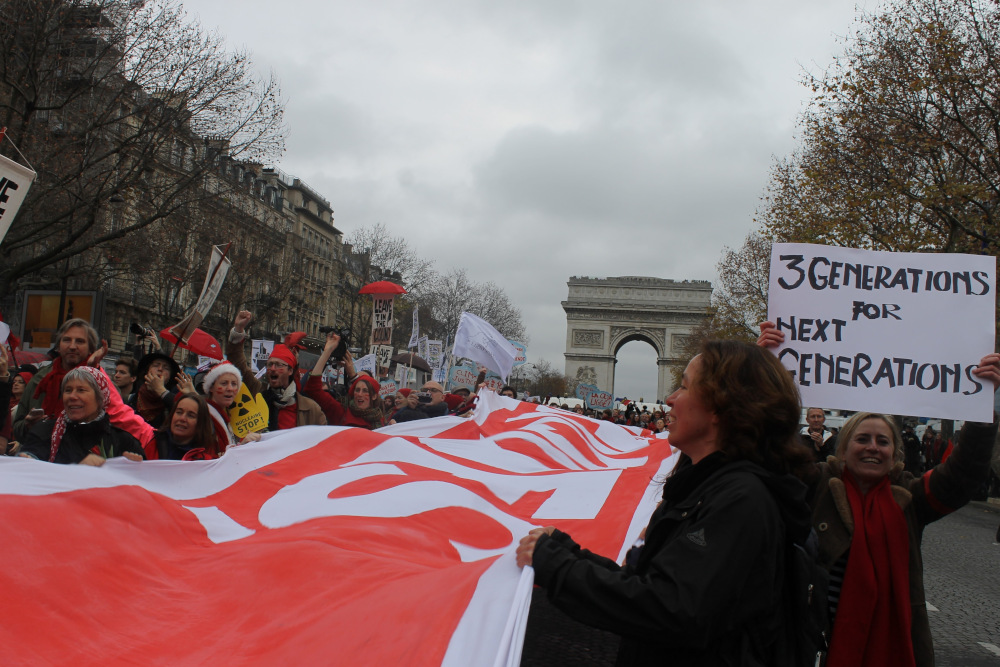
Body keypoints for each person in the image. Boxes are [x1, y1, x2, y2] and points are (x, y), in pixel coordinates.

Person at [516, 340, 814, 666]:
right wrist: (565, 551)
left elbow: (670, 608)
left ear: (722, 407)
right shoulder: (709, 487)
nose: (670, 399)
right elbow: (651, 586)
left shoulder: (741, 500)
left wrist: (558, 566)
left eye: (684, 386)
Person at [758, 320, 1000, 666]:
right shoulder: (815, 483)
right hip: (814, 645)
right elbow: (767, 450)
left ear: (894, 452)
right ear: (842, 449)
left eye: (882, 441)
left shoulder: (911, 498)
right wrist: (764, 369)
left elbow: (963, 476)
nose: (873, 448)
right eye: (862, 439)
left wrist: (980, 409)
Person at [19, 366, 146, 465]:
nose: (72, 396)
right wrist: (27, 460)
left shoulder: (123, 441)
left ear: (100, 398)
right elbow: (31, 473)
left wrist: (134, 470)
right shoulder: (44, 431)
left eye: (81, 390)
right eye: (68, 390)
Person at [227, 310, 326, 429]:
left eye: (279, 365)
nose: (272, 369)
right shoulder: (258, 393)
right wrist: (238, 330)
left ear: (290, 370)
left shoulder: (311, 409)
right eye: (270, 364)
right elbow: (238, 364)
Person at [12, 318, 100, 439]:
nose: (72, 346)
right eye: (67, 340)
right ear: (58, 346)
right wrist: (28, 425)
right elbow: (17, 428)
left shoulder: (101, 382)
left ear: (91, 348)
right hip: (40, 452)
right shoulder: (40, 379)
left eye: (80, 341)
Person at [201, 362, 261, 453]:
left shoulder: (226, 416)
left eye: (234, 384)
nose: (230, 388)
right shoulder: (203, 416)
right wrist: (241, 446)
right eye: (224, 383)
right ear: (211, 388)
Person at [147, 393, 221, 460]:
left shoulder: (206, 462)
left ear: (200, 423)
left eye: (190, 416)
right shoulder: (150, 440)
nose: (182, 418)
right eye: (179, 412)